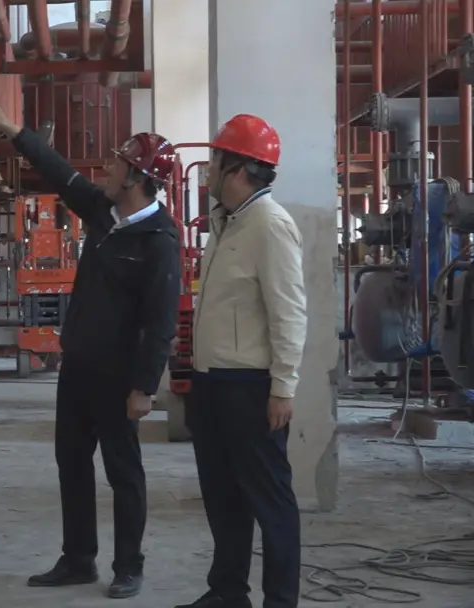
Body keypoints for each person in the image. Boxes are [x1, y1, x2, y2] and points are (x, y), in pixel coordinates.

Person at [0, 90, 182, 599]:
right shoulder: (103, 213)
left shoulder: (159, 241)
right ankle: (78, 558)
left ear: (137, 178)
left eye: (118, 164)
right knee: (71, 463)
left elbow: (160, 321)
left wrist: (144, 387)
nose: (108, 169)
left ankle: (128, 566)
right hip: (79, 368)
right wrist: (13, 131)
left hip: (119, 377)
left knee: (123, 472)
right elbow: (60, 173)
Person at [177, 114, 307, 608]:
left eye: (215, 160)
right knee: (223, 496)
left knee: (270, 502)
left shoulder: (270, 226)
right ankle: (228, 593)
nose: (208, 169)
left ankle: (280, 601)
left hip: (250, 387)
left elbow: (289, 313)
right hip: (213, 384)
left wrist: (283, 388)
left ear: (237, 169)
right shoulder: (227, 222)